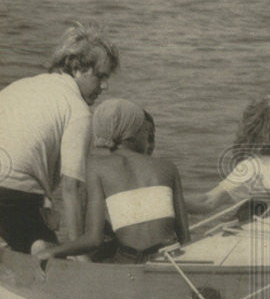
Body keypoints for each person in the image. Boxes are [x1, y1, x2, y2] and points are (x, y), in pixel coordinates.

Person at [0, 22, 118, 287]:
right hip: (6, 195)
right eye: (100, 77)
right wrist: (78, 250)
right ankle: (57, 271)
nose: (105, 86)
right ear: (77, 68)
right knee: (35, 238)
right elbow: (71, 188)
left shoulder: (25, 84)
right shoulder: (78, 110)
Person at [33, 99, 189, 263]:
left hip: (130, 260)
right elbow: (185, 237)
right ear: (132, 134)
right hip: (170, 258)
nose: (149, 140)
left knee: (51, 248)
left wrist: (52, 252)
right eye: (145, 132)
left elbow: (94, 239)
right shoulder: (168, 166)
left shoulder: (97, 167)